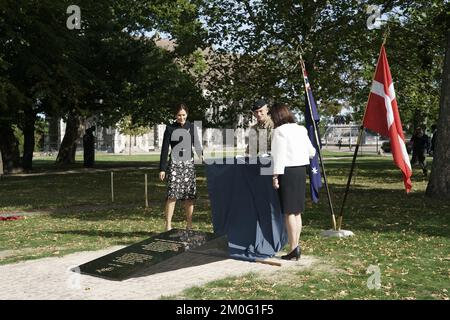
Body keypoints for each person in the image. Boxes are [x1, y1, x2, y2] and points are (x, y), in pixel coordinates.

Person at [270, 103, 316, 260]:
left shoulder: (279, 131)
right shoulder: (301, 129)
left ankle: (293, 248)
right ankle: (295, 246)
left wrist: (275, 176)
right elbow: (312, 151)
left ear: (276, 116)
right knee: (297, 211)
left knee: (289, 211)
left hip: (287, 171)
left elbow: (278, 155)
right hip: (301, 170)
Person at [159, 104, 203, 231]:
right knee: (172, 196)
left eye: (183, 115)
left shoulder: (192, 127)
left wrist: (202, 156)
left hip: (188, 165)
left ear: (187, 114)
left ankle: (189, 225)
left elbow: (197, 145)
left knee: (189, 197)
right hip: (175, 165)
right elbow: (164, 149)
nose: (181, 117)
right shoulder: (170, 128)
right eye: (179, 115)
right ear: (175, 115)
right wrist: (162, 168)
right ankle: (168, 225)